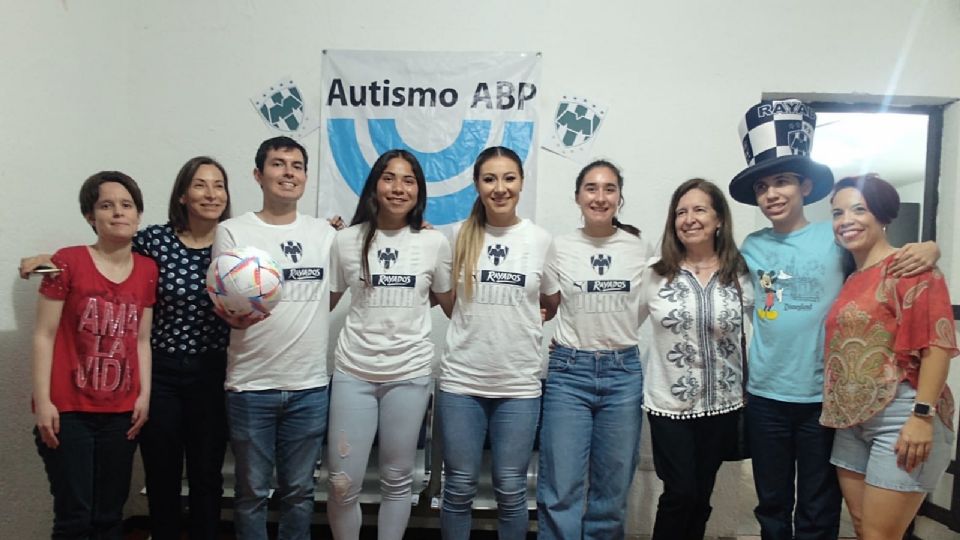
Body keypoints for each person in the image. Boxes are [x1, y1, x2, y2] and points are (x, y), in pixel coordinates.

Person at [727, 98, 939, 540]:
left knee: (819, 506)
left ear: (804, 186)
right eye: (763, 187)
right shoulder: (750, 246)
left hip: (824, 399)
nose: (772, 194)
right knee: (771, 502)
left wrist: (927, 248)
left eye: (782, 182)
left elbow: (881, 259)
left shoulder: (837, 237)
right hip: (766, 395)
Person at [22, 157, 234, 539]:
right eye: (200, 184)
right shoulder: (155, 240)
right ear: (183, 195)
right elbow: (107, 244)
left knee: (206, 476)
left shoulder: (236, 241)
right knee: (159, 477)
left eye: (218, 185)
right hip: (161, 373)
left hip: (210, 371)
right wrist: (45, 260)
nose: (211, 193)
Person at [213, 136, 336, 540]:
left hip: (310, 386)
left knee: (300, 493)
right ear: (258, 175)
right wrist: (235, 317)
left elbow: (333, 292)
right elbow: (226, 306)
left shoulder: (326, 234)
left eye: (297, 165)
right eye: (278, 164)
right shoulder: (232, 232)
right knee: (251, 494)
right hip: (251, 386)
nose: (289, 173)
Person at [325, 149, 453, 539]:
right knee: (342, 483)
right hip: (354, 373)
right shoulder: (346, 240)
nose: (398, 188)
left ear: (420, 191)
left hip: (409, 375)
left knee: (397, 481)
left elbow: (449, 303)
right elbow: (321, 303)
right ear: (374, 186)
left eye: (409, 180)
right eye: (389, 178)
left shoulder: (434, 243)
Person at [822, 174, 956, 539]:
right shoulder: (851, 277)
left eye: (859, 209)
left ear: (882, 215)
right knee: (866, 528)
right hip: (851, 420)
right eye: (837, 213)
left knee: (882, 535)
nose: (846, 220)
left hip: (903, 414)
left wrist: (921, 417)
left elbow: (937, 346)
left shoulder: (912, 268)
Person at [32, 171, 157, 539]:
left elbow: (141, 340)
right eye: (106, 205)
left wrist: (144, 396)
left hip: (121, 414)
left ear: (138, 215)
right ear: (90, 216)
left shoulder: (148, 269)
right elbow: (44, 335)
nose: (118, 213)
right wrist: (43, 402)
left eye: (127, 205)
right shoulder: (66, 261)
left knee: (108, 516)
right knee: (75, 517)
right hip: (68, 412)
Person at [438, 146, 552, 539]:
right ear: (477, 185)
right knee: (458, 488)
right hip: (461, 384)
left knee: (511, 490)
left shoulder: (540, 239)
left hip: (519, 386)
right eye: (490, 179)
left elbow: (549, 302)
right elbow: (449, 302)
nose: (500, 188)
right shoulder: (454, 236)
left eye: (509, 178)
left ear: (521, 182)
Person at [536, 160, 652, 540]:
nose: (600, 197)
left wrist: (608, 336)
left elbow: (643, 309)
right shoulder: (560, 247)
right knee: (560, 488)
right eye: (591, 188)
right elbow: (549, 303)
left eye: (609, 189)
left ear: (619, 197)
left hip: (623, 375)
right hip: (569, 374)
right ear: (577, 197)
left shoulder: (639, 248)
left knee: (612, 490)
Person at [639, 178, 752, 540]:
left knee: (701, 497)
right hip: (669, 406)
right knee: (680, 493)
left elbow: (768, 325)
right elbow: (620, 323)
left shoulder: (741, 273)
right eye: (681, 212)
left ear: (719, 218)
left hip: (724, 405)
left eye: (699, 209)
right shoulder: (655, 274)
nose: (689, 219)